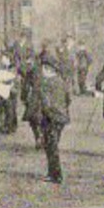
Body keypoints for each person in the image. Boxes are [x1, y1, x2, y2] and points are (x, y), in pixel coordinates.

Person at [33, 54, 71, 184]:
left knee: (51, 146)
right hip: (61, 117)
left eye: (43, 68)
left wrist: (42, 115)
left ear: (48, 69)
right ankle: (53, 172)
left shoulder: (45, 83)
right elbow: (68, 99)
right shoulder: (61, 81)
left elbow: (44, 103)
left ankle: (55, 174)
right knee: (53, 144)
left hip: (50, 117)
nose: (42, 71)